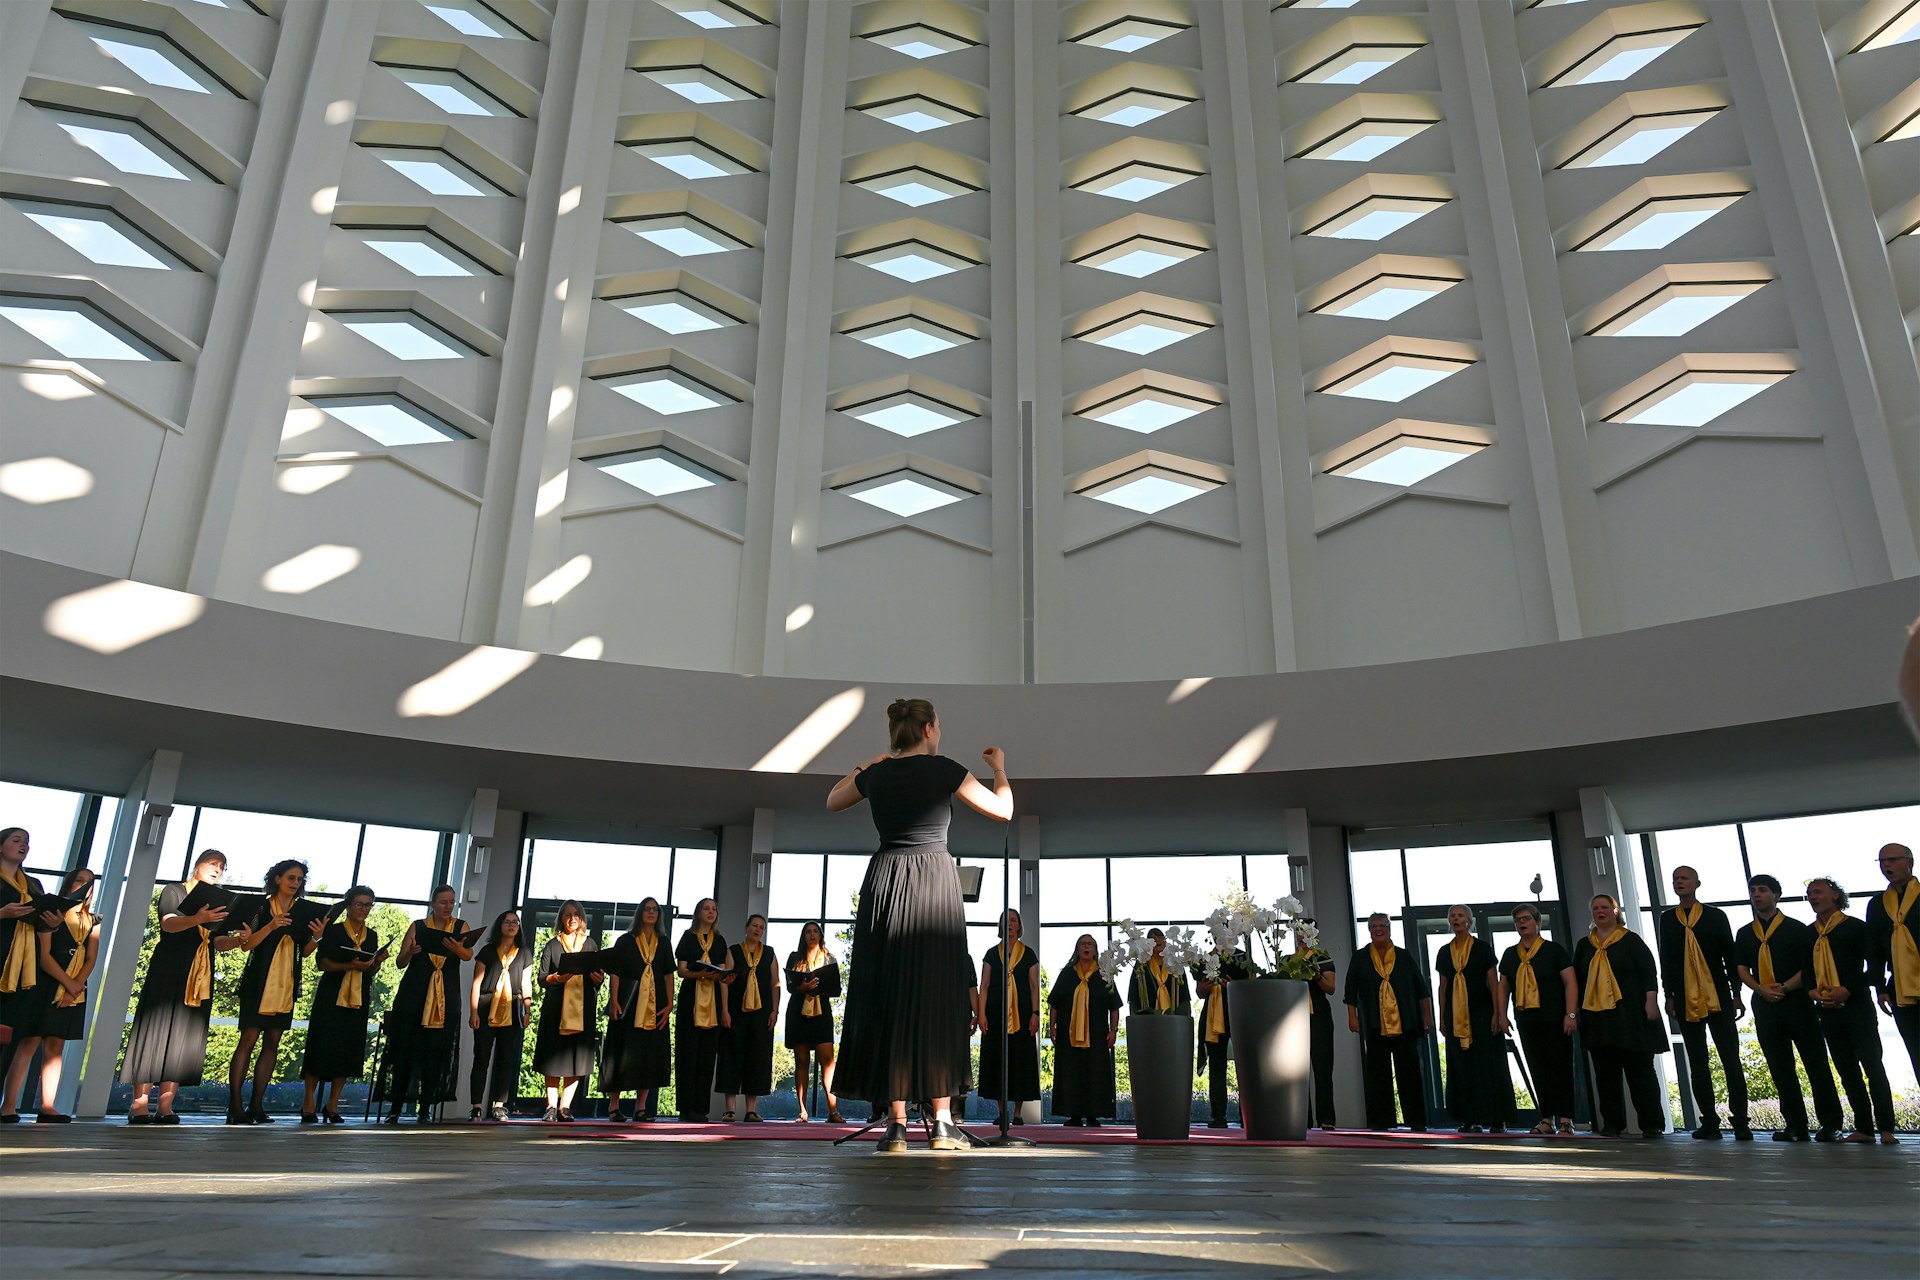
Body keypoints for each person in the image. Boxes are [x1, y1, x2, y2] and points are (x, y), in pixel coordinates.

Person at [825, 697, 1012, 1153]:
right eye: (938, 726)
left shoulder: (878, 774)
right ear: (928, 729)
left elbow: (832, 800)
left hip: (886, 881)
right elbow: (1003, 809)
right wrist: (1000, 770)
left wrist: (870, 764)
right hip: (932, 882)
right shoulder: (945, 769)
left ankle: (896, 1126)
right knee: (938, 997)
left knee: (889, 994)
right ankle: (943, 1123)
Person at [122, 849, 249, 1125]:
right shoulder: (175, 891)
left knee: (184, 1037)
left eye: (222, 866)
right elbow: (168, 924)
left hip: (200, 973)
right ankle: (139, 1103)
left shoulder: (219, 903)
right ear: (197, 865)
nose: (217, 869)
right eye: (212, 863)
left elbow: (218, 942)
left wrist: (240, 940)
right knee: (155, 1031)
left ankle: (165, 1106)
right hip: (170, 969)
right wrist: (198, 918)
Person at [1734, 874, 1844, 1141]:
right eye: (1753, 890)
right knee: (1780, 1067)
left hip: (1797, 1002)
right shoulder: (1745, 933)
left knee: (1816, 1063)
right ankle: (1795, 1125)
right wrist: (1760, 988)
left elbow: (1808, 969)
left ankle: (1831, 1123)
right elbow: (1741, 968)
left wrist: (1783, 987)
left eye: (1762, 890)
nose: (1756, 895)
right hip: (1765, 1005)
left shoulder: (1797, 929)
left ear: (1776, 895)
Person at [1656, 866, 1750, 1140]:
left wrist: (1736, 993)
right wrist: (1669, 995)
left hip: (1718, 994)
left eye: (1684, 878)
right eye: (1675, 879)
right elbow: (1666, 959)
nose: (1679, 882)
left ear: (1697, 883)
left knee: (1731, 1059)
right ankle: (1709, 1121)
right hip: (1685, 996)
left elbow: (1729, 955)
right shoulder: (1667, 918)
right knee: (1697, 1061)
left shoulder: (1715, 916)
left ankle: (1741, 1121)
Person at [229, 860, 326, 1124]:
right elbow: (246, 945)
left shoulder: (302, 911)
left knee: (272, 1042)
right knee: (248, 1039)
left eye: (300, 879)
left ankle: (256, 1106)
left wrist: (317, 937)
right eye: (291, 878)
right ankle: (235, 1105)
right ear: (277, 878)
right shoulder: (260, 907)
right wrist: (271, 926)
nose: (296, 883)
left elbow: (305, 951)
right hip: (258, 980)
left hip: (286, 983)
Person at [0, 868, 98, 1122]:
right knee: (29, 1042)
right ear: (68, 883)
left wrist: (76, 985)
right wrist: (68, 983)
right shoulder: (51, 912)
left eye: (89, 882)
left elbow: (91, 958)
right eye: (79, 880)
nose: (84, 886)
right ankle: (8, 1105)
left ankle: (47, 1106)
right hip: (46, 983)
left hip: (73, 988)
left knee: (56, 1045)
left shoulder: (93, 920)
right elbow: (43, 957)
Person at [1805, 876, 1898, 1144]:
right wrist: (1812, 991)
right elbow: (1806, 970)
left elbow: (1874, 967)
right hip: (1827, 1009)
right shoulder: (1809, 934)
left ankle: (1886, 1127)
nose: (1813, 897)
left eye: (1818, 891)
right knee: (1847, 1070)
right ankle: (1864, 1128)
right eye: (1810, 894)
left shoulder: (1856, 927)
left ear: (1835, 895)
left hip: (1857, 1006)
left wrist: (1848, 989)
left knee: (1872, 1065)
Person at [1573, 893, 1667, 1139]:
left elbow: (1648, 972)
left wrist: (1651, 1002)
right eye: (1596, 908)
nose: (1600, 911)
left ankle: (1651, 1124)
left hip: (1631, 1015)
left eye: (1605, 907)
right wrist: (1575, 1011)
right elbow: (1577, 980)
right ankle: (1612, 1124)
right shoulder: (1584, 945)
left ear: (1615, 911)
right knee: (1605, 1074)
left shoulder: (1631, 940)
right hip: (1598, 1018)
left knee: (1640, 1072)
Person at [382, 885, 472, 1124]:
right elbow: (400, 962)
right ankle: (396, 1107)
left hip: (445, 995)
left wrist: (457, 948)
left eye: (451, 902)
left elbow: (468, 955)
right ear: (433, 904)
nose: (448, 906)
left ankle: (425, 1108)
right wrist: (411, 952)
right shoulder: (418, 926)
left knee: (436, 1052)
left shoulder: (460, 926)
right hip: (415, 994)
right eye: (443, 902)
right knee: (406, 1049)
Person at [300, 886, 382, 1124]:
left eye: (368, 905)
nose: (364, 909)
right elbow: (322, 963)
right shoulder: (333, 931)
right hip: (331, 994)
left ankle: (332, 1104)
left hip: (358, 997)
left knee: (348, 1049)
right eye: (359, 904)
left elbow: (370, 970)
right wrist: (348, 965)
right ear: (348, 906)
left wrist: (376, 962)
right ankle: (309, 1102)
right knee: (320, 1045)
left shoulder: (372, 935)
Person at [1344, 913, 1431, 1132]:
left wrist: (1427, 1017)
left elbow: (1421, 989)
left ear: (1389, 929)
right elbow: (1350, 991)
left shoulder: (1403, 955)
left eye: (1382, 925)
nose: (1378, 929)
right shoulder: (1360, 957)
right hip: (1374, 1023)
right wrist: (1352, 1017)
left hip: (1406, 1022)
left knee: (1409, 1072)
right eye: (1374, 926)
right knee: (1377, 1074)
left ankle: (1416, 1120)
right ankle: (1381, 1121)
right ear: (1369, 930)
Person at [1497, 903, 1578, 1136]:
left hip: (1555, 1018)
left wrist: (1571, 1013)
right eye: (1518, 920)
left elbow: (1570, 982)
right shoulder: (1510, 954)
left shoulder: (1554, 950)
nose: (1522, 923)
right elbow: (1504, 987)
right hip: (1527, 1020)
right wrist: (1502, 1015)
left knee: (1560, 1068)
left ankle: (1566, 1120)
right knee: (1537, 1069)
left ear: (1537, 922)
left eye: (1526, 918)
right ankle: (1546, 1120)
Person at [1434, 905, 1511, 1133]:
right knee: (1462, 1066)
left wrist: (1498, 1013)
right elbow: (1443, 986)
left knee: (1488, 1064)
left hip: (1482, 1013)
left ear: (1469, 920)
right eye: (1452, 916)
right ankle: (1469, 1117)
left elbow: (1493, 982)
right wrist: (1442, 1017)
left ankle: (1497, 1118)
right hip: (1455, 1014)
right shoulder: (1444, 952)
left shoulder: (1482, 948)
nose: (1456, 919)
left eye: (1460, 915)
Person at [603, 897, 673, 1123]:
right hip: (628, 1004)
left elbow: (668, 974)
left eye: (655, 910)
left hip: (655, 1006)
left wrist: (670, 1004)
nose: (651, 912)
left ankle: (641, 1108)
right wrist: (614, 1000)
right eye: (647, 909)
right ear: (640, 913)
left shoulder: (664, 942)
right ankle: (614, 1106)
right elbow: (615, 972)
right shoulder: (626, 940)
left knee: (649, 1055)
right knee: (620, 1053)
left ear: (659, 915)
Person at [0, 828, 60, 1086]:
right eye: (16, 840)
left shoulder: (33, 884)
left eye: (26, 842)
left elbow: (41, 924)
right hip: (1, 956)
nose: (23, 845)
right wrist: (2, 913)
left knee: (11, 1035)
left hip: (24, 967)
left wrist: (51, 924)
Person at [533, 900, 600, 1122]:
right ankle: (551, 1106)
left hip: (583, 1009)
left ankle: (565, 1107)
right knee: (553, 1057)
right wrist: (557, 978)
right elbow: (542, 978)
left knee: (576, 1059)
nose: (572, 918)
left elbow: (598, 978)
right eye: (567, 914)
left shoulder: (590, 944)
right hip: (556, 1008)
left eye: (576, 914)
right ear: (561, 918)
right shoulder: (553, 945)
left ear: (582, 918)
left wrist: (597, 978)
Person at [1047, 934, 1122, 1127]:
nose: (1086, 947)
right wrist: (1052, 1027)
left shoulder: (1104, 974)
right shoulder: (1067, 974)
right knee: (1071, 1073)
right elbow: (1054, 1004)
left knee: (1095, 1074)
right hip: (1068, 1035)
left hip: (1097, 1035)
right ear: (1077, 949)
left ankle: (1093, 1115)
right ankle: (1074, 1115)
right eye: (1083, 944)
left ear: (1095, 950)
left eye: (1090, 944)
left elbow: (1114, 1006)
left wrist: (1113, 1030)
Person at [977, 908, 1043, 1128]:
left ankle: (1017, 1113)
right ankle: (1001, 1111)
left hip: (1022, 1016)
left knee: (1020, 1061)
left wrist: (1035, 1014)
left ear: (1019, 925)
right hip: (995, 1015)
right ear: (1000, 926)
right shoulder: (991, 953)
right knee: (998, 1060)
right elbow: (984, 986)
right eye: (1006, 920)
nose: (1010, 924)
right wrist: (981, 1014)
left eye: (1013, 920)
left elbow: (1034, 987)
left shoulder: (1028, 954)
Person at [468, 907, 533, 1122]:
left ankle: (499, 1105)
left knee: (506, 1059)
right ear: (500, 926)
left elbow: (526, 983)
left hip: (512, 1008)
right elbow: (476, 983)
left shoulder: (524, 952)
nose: (512, 925)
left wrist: (527, 1010)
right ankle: (476, 1106)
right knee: (481, 1058)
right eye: (507, 922)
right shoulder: (488, 951)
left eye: (515, 922)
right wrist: (474, 1011)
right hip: (486, 1006)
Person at [1865, 842, 1919, 1084]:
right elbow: (1874, 949)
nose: (1887, 865)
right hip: (1900, 986)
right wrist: (1880, 987)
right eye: (1883, 861)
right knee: (1916, 1049)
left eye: (1893, 860)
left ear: (1910, 862)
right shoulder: (1877, 904)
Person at [718, 913, 780, 1122]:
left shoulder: (769, 953)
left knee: (757, 1058)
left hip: (762, 1013)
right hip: (736, 1011)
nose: (757, 930)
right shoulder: (734, 951)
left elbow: (775, 983)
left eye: (761, 927)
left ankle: (751, 1110)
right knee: (732, 1056)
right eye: (754, 925)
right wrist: (724, 1011)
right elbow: (724, 982)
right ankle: (729, 1109)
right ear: (746, 928)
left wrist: (775, 1010)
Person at [674, 897, 731, 1122]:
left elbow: (723, 974)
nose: (710, 912)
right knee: (688, 1055)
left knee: (707, 1058)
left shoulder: (720, 940)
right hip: (691, 999)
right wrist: (701, 974)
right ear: (698, 913)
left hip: (713, 1002)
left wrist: (725, 1009)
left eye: (714, 909)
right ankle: (685, 1108)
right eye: (706, 908)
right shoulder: (688, 937)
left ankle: (701, 1109)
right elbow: (681, 970)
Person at [783, 920, 842, 1123]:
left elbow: (836, 988)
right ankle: (802, 1111)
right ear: (803, 936)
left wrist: (820, 987)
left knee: (828, 1060)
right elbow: (790, 986)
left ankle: (833, 1111)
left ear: (820, 935)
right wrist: (802, 988)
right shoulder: (795, 957)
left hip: (821, 1012)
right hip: (799, 1012)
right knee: (801, 1061)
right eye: (808, 931)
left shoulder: (829, 958)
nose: (812, 934)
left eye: (815, 931)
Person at [1194, 947, 1246, 1129]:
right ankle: (1218, 1116)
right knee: (1216, 1067)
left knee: (1244, 1068)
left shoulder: (1242, 956)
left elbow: (1250, 986)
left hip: (1237, 1013)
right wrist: (1204, 988)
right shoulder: (1206, 958)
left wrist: (1232, 987)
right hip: (1213, 1015)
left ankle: (1246, 1115)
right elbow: (1199, 992)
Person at [1295, 922, 1337, 1131]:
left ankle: (1326, 1119)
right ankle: (1301, 1120)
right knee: (1296, 1072)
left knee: (1322, 1069)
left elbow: (1331, 988)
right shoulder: (1288, 960)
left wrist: (1317, 975)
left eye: (1306, 932)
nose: (1302, 936)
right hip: (1294, 1018)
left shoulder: (1322, 957)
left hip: (1319, 1016)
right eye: (1299, 932)